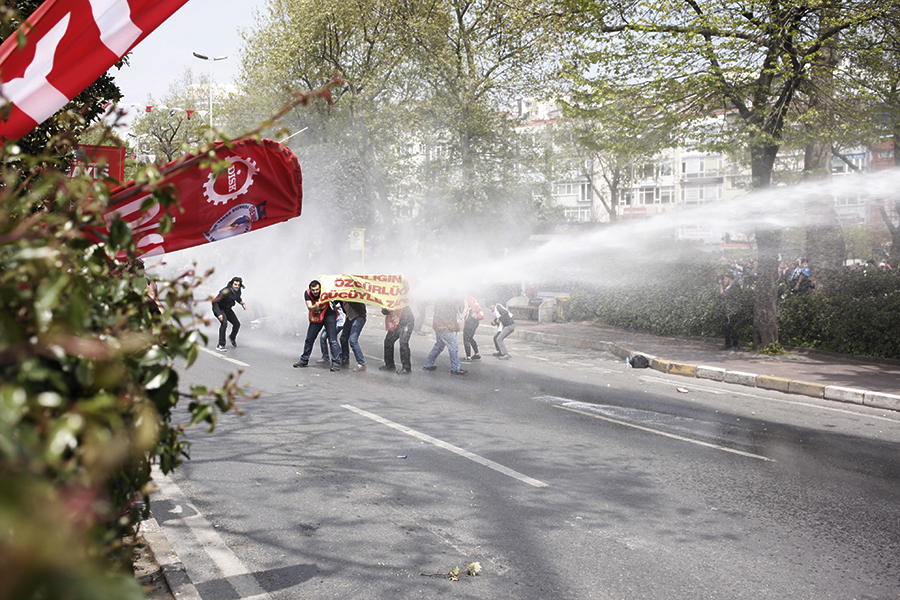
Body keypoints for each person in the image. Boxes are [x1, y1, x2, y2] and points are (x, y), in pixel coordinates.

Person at [293, 280, 342, 371]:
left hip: (329, 315)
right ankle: (303, 360)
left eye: (317, 290)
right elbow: (310, 307)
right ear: (310, 290)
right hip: (317, 316)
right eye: (313, 290)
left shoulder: (326, 292)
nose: (315, 292)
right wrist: (317, 305)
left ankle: (336, 363)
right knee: (309, 339)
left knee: (332, 340)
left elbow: (337, 300)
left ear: (320, 289)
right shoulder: (307, 293)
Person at [422, 298, 466, 375]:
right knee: (453, 346)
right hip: (444, 327)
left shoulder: (442, 301)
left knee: (439, 346)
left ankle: (428, 364)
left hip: (439, 326)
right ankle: (455, 368)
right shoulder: (447, 300)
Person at [212, 277, 246, 351]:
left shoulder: (238, 291)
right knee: (224, 323)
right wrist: (219, 314)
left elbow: (237, 298)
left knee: (237, 324)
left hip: (227, 309)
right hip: (219, 308)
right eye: (235, 284)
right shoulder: (225, 291)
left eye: (238, 285)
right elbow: (215, 302)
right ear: (231, 284)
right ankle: (220, 344)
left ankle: (232, 337)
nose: (236, 286)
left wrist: (242, 303)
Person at [380, 305, 415, 374]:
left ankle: (406, 368)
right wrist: (387, 309)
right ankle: (389, 365)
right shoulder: (386, 299)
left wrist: (394, 307)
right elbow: (384, 312)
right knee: (388, 341)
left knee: (403, 343)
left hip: (406, 322)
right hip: (395, 322)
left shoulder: (400, 297)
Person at [340, 301, 368, 372]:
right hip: (350, 317)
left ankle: (361, 364)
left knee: (353, 340)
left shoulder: (353, 294)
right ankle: (345, 360)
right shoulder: (340, 298)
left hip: (359, 317)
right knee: (343, 338)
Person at [718, 272, 742, 350]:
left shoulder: (734, 286)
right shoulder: (731, 286)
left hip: (734, 310)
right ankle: (729, 343)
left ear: (730, 279)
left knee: (729, 326)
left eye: (725, 279)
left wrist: (721, 286)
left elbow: (723, 295)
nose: (724, 280)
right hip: (730, 310)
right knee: (725, 326)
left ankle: (735, 344)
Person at [461, 295, 484, 362]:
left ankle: (468, 357)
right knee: (470, 338)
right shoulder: (472, 299)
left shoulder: (465, 297)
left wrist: (461, 318)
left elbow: (466, 308)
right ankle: (477, 354)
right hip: (475, 322)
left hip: (471, 321)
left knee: (466, 339)